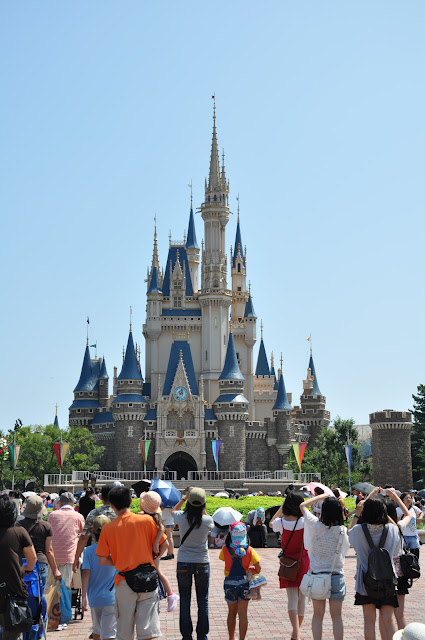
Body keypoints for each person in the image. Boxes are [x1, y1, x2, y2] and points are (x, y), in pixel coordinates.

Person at [96, 485, 167, 640]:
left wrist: (120, 560)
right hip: (147, 578)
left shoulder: (108, 528)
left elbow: (102, 559)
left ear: (112, 505)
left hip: (124, 580)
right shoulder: (147, 521)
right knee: (147, 631)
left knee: (124, 631)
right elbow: (164, 545)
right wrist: (153, 558)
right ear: (130, 501)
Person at [348, 491, 399, 640]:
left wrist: (357, 513)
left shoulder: (358, 531)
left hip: (366, 582)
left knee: (369, 621)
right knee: (388, 620)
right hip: (388, 581)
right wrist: (385, 514)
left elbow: (348, 532)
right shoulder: (391, 530)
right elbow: (397, 530)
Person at [300, 494, 350, 640]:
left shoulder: (315, 525)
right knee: (337, 616)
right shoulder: (342, 531)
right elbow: (344, 551)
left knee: (317, 615)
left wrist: (321, 496)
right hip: (336, 576)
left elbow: (302, 506)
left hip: (317, 577)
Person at [171, 487, 214, 640]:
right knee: (203, 600)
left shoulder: (181, 517)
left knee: (185, 599)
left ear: (189, 502)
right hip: (202, 562)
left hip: (184, 561)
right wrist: (202, 507)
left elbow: (173, 511)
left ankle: (186, 636)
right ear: (203, 504)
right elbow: (208, 521)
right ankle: (202, 635)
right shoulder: (207, 520)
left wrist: (185, 497)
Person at [270, 491, 309, 640]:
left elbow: (271, 523)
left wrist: (281, 508)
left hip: (288, 564)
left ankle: (295, 632)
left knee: (292, 598)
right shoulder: (304, 522)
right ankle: (297, 632)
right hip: (303, 562)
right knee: (302, 599)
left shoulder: (281, 523)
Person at [0, 494, 37, 640]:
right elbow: (32, 558)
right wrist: (27, 569)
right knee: (12, 633)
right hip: (13, 590)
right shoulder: (19, 531)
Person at [219, 522, 261, 640]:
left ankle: (231, 638)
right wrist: (251, 570)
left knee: (231, 612)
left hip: (229, 583)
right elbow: (258, 567)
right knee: (243, 614)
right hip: (244, 583)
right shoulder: (250, 550)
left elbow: (223, 559)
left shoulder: (225, 549)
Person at [139, 491, 179, 612]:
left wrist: (156, 553)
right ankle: (170, 594)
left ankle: (171, 594)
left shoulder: (143, 519)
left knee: (157, 572)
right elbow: (165, 542)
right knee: (157, 572)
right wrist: (158, 553)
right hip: (153, 554)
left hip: (148, 554)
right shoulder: (156, 518)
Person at [381, 489, 413, 630]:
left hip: (385, 574)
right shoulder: (399, 527)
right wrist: (396, 498)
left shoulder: (378, 530)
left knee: (385, 617)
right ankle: (403, 637)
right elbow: (408, 514)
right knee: (400, 615)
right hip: (400, 573)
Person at [81, 515, 117, 640]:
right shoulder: (115, 549)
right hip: (112, 597)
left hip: (94, 598)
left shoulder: (88, 551)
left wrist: (83, 597)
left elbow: (86, 574)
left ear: (92, 532)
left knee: (97, 631)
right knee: (110, 633)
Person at [73, 483, 117, 573]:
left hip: (96, 555)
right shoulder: (120, 513)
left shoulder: (94, 513)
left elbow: (84, 537)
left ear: (101, 497)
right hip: (117, 555)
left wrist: (76, 558)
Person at [20, 494, 61, 588]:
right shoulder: (46, 526)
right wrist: (55, 570)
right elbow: (49, 550)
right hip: (40, 562)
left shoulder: (18, 525)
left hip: (22, 563)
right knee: (39, 593)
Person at [47, 491, 84, 589]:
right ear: (73, 503)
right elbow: (83, 535)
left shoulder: (52, 515)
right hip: (69, 556)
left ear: (60, 503)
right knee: (64, 589)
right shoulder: (78, 516)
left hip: (52, 556)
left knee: (50, 587)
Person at [396, 492, 423, 558]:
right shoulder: (398, 510)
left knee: (415, 556)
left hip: (413, 535)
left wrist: (420, 518)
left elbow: (421, 513)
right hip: (403, 536)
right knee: (404, 557)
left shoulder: (414, 508)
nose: (409, 499)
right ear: (402, 500)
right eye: (407, 498)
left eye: (410, 498)